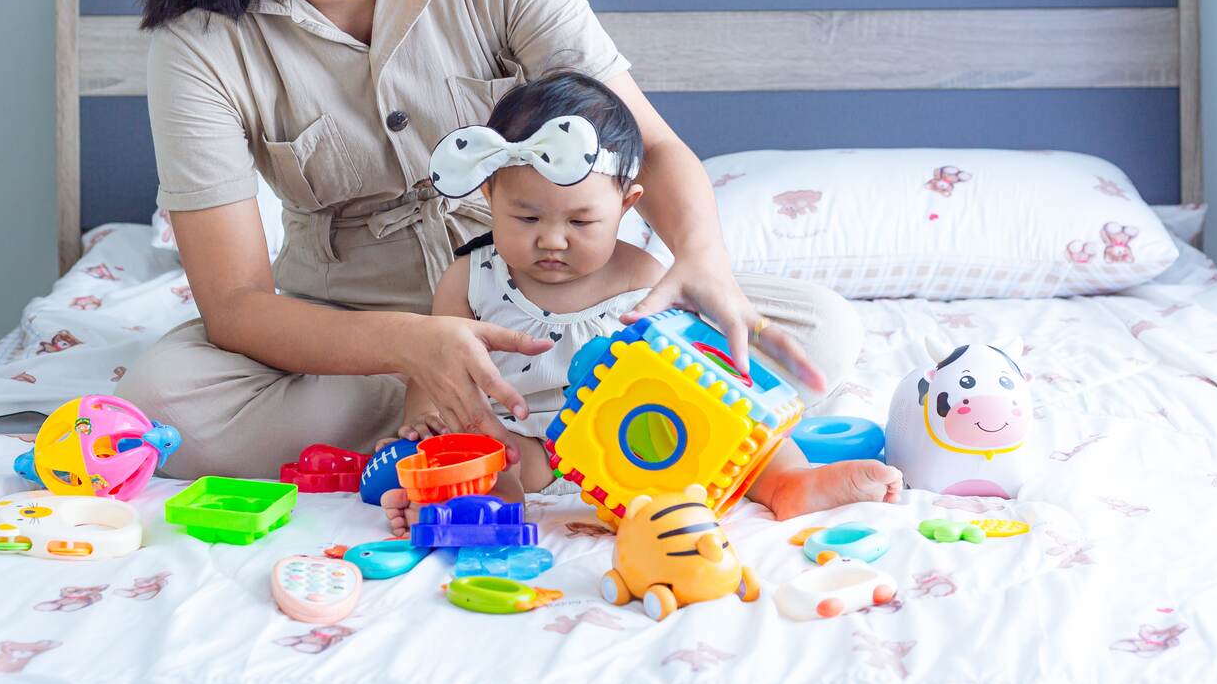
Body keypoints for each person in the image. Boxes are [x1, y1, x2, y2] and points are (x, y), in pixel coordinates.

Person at [116, 0, 863, 480]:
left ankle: (497, 408)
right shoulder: (197, 46)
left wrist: (703, 263)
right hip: (353, 332)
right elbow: (238, 305)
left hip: (556, 297)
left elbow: (654, 146)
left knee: (818, 332)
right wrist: (412, 346)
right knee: (163, 409)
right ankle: (540, 402)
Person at [379, 71, 901, 535]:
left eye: (580, 222)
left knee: (727, 420)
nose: (553, 240)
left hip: (633, 440)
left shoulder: (643, 278)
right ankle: (476, 506)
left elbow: (690, 373)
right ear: (489, 195)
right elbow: (434, 367)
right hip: (527, 445)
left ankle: (788, 482)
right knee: (479, 456)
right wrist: (425, 419)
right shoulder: (471, 278)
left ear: (626, 205)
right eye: (527, 219)